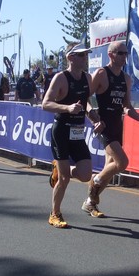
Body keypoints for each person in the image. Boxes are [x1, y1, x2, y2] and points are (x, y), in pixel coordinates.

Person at [82, 40, 139, 217]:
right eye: (121, 53)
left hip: (117, 124)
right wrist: (93, 118)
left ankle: (90, 203)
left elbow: (127, 106)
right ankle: (95, 180)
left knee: (110, 166)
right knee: (122, 163)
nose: (125, 57)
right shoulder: (101, 74)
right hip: (103, 125)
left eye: (126, 54)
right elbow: (84, 99)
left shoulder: (126, 79)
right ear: (111, 55)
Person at [42, 43, 101, 228]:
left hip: (77, 131)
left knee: (85, 175)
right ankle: (55, 214)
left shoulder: (87, 78)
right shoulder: (61, 78)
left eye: (86, 55)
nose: (86, 59)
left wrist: (93, 118)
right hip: (61, 130)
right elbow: (45, 104)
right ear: (71, 57)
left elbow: (86, 103)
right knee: (65, 179)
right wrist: (67, 108)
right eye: (82, 55)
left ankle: (59, 171)